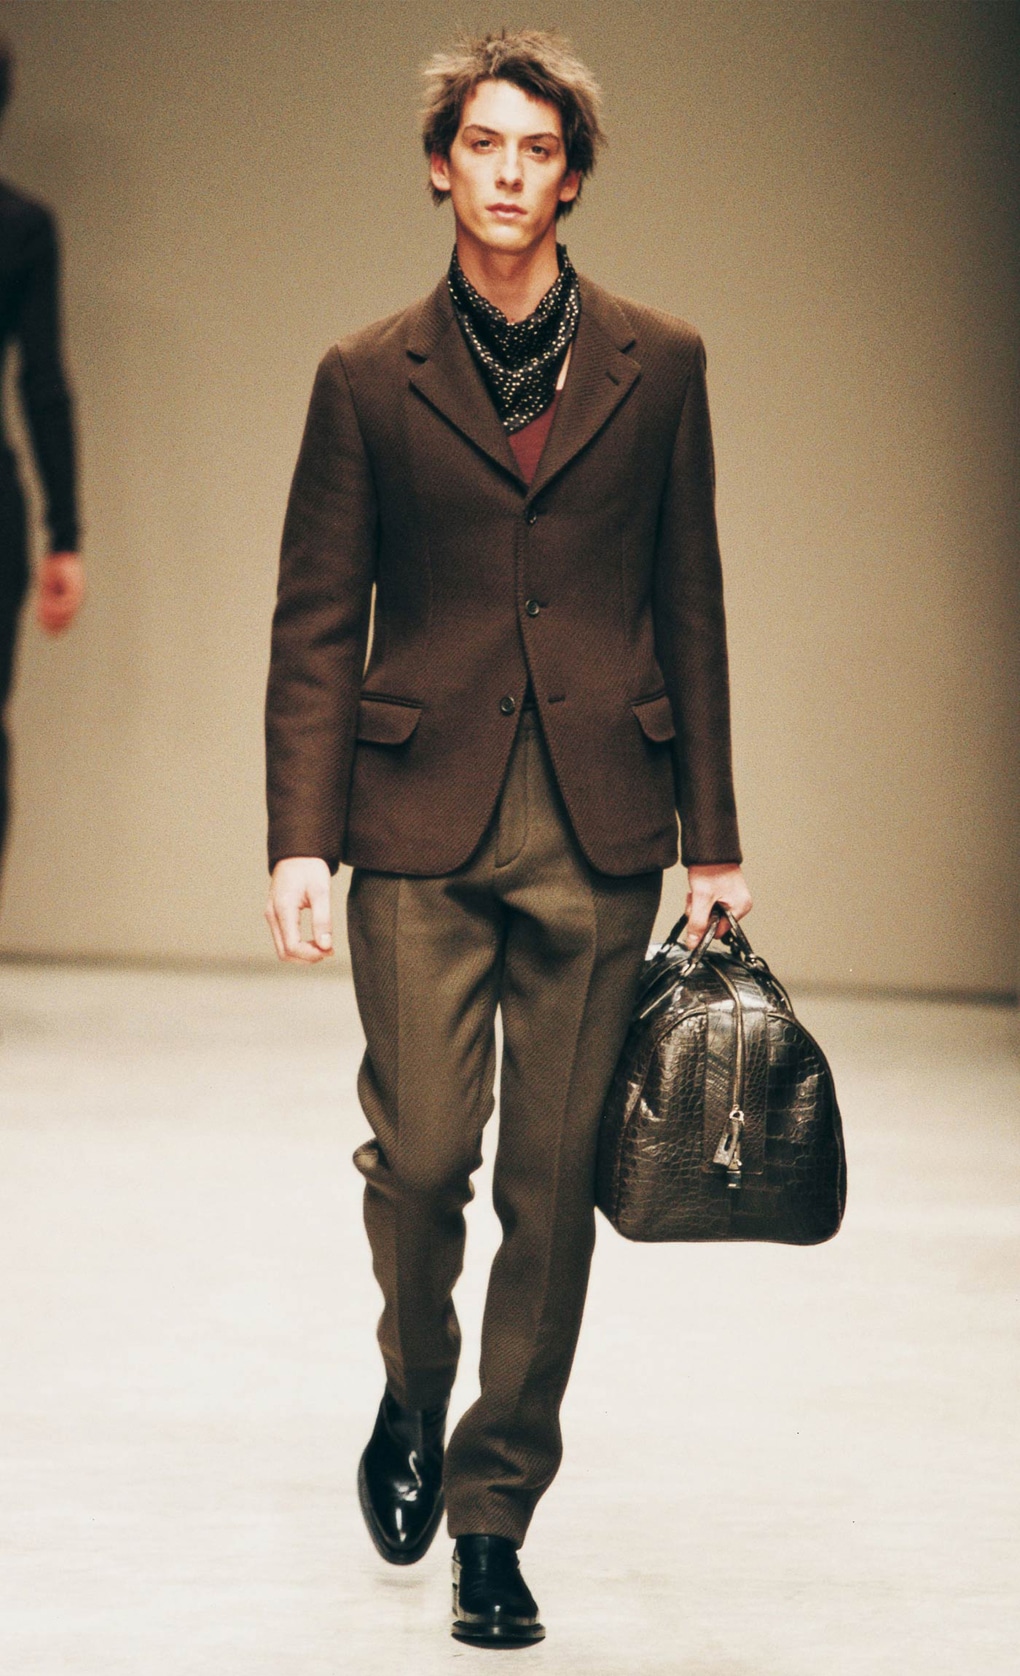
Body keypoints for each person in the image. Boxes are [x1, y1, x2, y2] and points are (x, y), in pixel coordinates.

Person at [264, 27, 752, 1648]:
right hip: (413, 818)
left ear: (572, 178)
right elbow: (317, 620)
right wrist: (299, 839)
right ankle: (414, 1386)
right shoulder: (364, 376)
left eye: (537, 149)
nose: (507, 172)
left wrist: (714, 839)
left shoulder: (661, 363)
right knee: (421, 1158)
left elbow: (692, 599)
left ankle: (493, 1513)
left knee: (553, 1185)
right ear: (439, 164)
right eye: (482, 142)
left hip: (604, 819)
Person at [0, 36, 84, 876]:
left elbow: (43, 385)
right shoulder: (21, 227)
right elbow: (42, 384)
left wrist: (64, 533)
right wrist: (63, 536)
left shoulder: (22, 229)